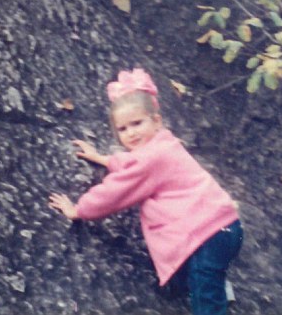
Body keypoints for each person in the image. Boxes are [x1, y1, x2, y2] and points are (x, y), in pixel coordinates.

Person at [48, 68, 243, 315]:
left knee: (205, 302)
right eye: (123, 129)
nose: (132, 133)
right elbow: (135, 165)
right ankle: (217, 286)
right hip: (225, 228)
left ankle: (214, 293)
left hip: (208, 236)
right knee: (193, 276)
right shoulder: (164, 143)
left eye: (137, 123)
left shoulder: (150, 159)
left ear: (156, 121)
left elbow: (115, 192)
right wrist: (105, 159)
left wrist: (79, 210)